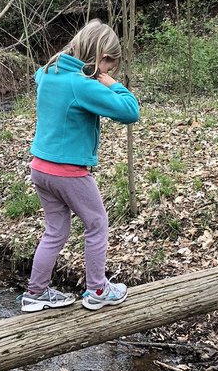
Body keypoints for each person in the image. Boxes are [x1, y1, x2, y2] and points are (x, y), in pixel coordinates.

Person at [21, 19, 140, 313]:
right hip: (68, 172)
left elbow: (41, 73)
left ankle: (35, 293)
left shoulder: (49, 72)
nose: (108, 72)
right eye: (108, 66)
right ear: (101, 57)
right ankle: (97, 289)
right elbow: (130, 111)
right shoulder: (82, 85)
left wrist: (74, 60)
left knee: (55, 230)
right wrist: (111, 83)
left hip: (40, 169)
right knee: (97, 223)